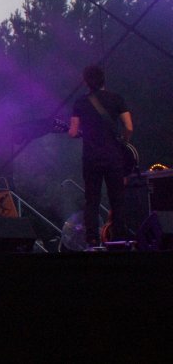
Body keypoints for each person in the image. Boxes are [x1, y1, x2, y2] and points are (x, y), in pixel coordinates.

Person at [68, 64, 133, 249]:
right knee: (117, 199)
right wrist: (123, 141)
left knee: (92, 200)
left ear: (86, 82)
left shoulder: (80, 102)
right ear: (104, 79)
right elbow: (129, 127)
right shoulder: (117, 98)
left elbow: (73, 132)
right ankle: (119, 239)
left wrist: (80, 132)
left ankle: (92, 240)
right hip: (113, 157)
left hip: (91, 158)